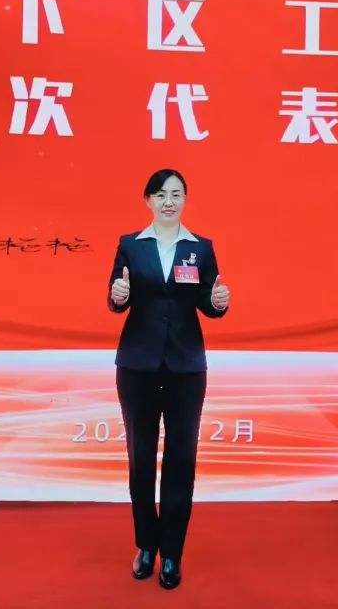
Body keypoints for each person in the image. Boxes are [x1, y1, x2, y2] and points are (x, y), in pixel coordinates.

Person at [107, 168, 230, 590]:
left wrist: (218, 302)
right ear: (148, 200)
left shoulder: (200, 248)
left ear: (185, 200)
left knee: (181, 461)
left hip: (185, 369)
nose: (169, 201)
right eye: (160, 194)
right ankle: (146, 545)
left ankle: (172, 553)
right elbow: (116, 298)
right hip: (137, 367)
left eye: (176, 194)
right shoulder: (130, 245)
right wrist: (118, 296)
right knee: (140, 459)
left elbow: (208, 303)